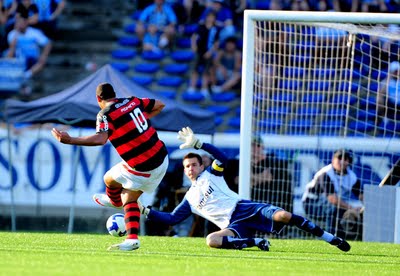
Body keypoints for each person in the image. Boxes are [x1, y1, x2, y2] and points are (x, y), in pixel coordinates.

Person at [138, 126, 351, 252]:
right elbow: (171, 219)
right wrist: (145, 211)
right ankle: (254, 242)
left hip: (246, 208)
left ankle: (329, 238)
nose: (191, 169)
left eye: (194, 164)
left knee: (284, 215)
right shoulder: (190, 198)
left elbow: (223, 158)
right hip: (233, 224)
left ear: (201, 165)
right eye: (187, 167)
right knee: (211, 240)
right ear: (184, 171)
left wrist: (199, 144)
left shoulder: (211, 173)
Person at [51, 82, 169, 251]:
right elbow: (160, 104)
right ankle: (132, 239)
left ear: (98, 99)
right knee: (127, 195)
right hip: (162, 157)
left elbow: (100, 139)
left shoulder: (105, 114)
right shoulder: (132, 101)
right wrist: (138, 122)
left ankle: (114, 201)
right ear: (114, 94)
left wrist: (71, 140)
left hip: (143, 166)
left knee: (110, 180)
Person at [302, 149, 363, 239]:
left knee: (356, 213)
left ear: (349, 162)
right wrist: (352, 208)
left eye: (345, 159)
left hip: (332, 205)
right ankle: (330, 238)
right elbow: (332, 199)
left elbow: (361, 195)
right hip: (311, 203)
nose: (342, 161)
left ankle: (350, 239)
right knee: (335, 209)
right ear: (333, 160)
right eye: (339, 158)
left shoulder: (352, 176)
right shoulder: (326, 173)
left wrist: (364, 208)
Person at [6, 12, 52, 80]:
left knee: (41, 62)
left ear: (26, 22)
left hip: (33, 59)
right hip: (19, 60)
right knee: (7, 57)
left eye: (22, 22)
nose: (20, 24)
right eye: (18, 22)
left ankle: (26, 75)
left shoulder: (34, 32)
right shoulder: (12, 34)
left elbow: (48, 43)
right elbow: (11, 51)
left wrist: (43, 56)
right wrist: (16, 33)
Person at [187, 11, 220, 97]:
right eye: (209, 17)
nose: (210, 19)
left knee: (206, 71)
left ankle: (204, 88)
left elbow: (216, 43)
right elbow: (193, 37)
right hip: (199, 52)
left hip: (208, 52)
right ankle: (192, 87)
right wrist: (193, 47)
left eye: (212, 17)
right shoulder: (201, 27)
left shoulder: (215, 29)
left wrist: (210, 52)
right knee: (195, 70)